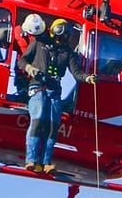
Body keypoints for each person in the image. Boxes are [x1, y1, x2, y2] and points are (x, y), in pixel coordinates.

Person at [17, 15, 91, 174]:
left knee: (52, 126)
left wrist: (88, 78)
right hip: (37, 87)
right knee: (38, 121)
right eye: (64, 35)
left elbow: (77, 73)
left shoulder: (68, 53)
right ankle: (31, 160)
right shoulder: (39, 44)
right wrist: (29, 68)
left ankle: (46, 162)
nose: (66, 38)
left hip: (55, 91)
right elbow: (22, 61)